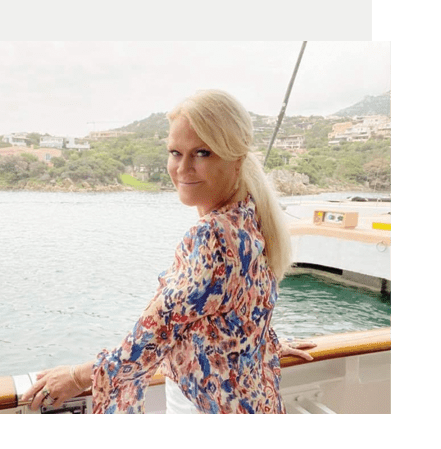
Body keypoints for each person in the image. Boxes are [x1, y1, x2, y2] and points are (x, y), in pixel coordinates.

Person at [21, 89, 315, 414]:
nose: (183, 168)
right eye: (176, 152)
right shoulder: (251, 215)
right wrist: (258, 341)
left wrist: (77, 377)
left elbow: (155, 331)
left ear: (236, 161)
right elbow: (239, 306)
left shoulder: (214, 236)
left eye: (202, 153)